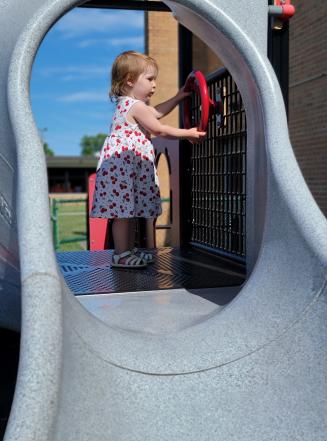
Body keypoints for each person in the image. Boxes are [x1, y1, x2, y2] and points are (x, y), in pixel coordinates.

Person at [90, 50, 206, 269]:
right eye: (150, 79)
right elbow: (159, 129)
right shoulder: (134, 106)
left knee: (127, 211)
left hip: (126, 169)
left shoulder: (132, 106)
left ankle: (127, 250)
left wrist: (180, 96)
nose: (154, 84)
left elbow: (156, 113)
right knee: (123, 214)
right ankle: (120, 254)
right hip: (122, 169)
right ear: (130, 80)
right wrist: (188, 133)